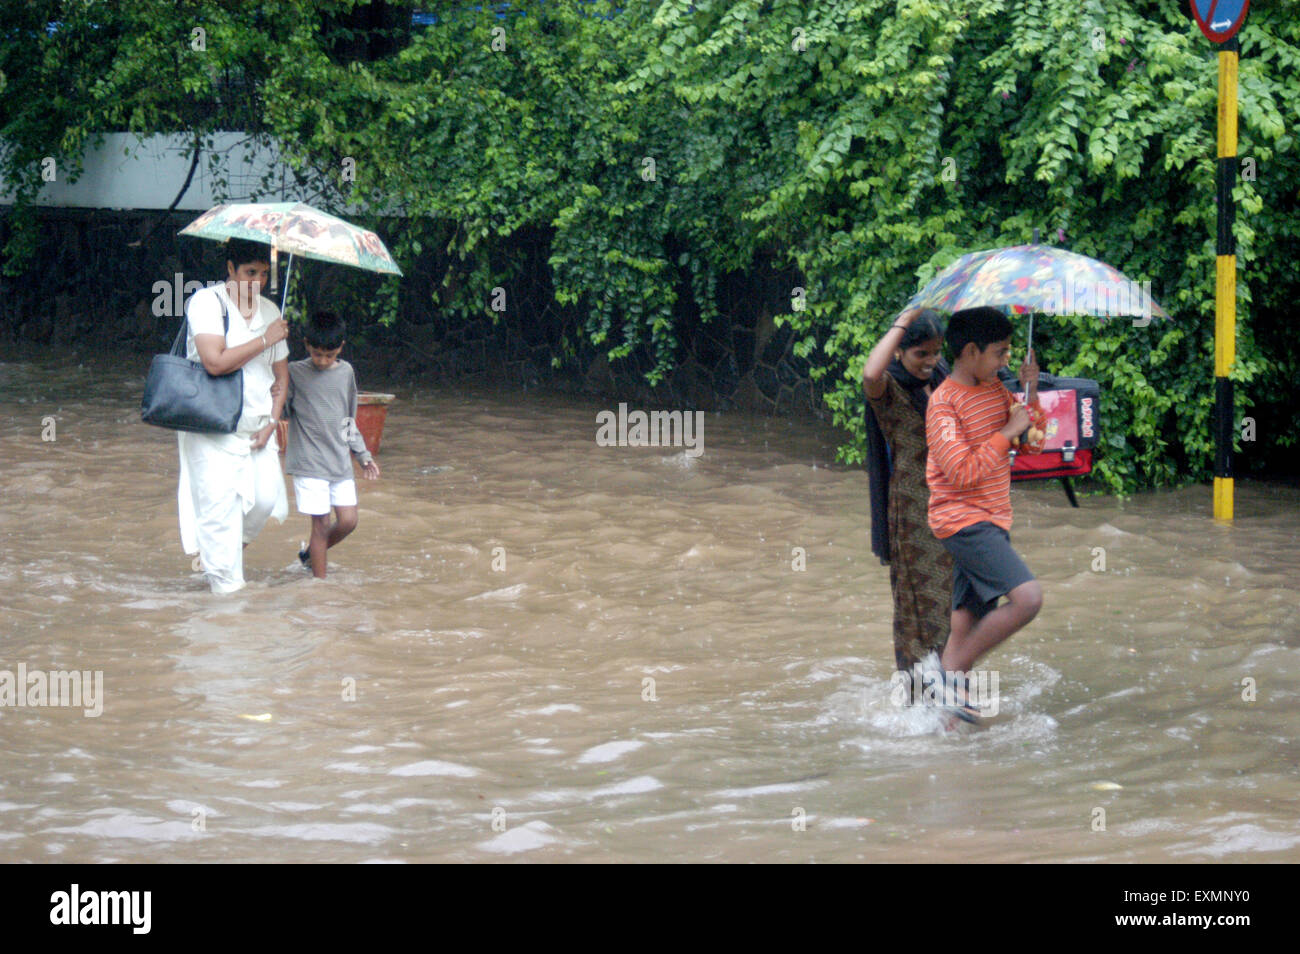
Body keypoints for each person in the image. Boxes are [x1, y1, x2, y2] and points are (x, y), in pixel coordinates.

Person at [924, 307, 1045, 714]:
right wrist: (1006, 432)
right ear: (970, 351)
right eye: (1001, 352)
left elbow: (1031, 443)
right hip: (962, 520)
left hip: (992, 516)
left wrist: (1028, 394)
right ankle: (951, 670)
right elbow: (961, 473)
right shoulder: (943, 406)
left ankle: (945, 726)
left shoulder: (995, 390)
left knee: (967, 620)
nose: (1006, 361)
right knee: (1028, 598)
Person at [177, 239, 290, 594]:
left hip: (258, 426)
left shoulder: (271, 310)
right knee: (219, 511)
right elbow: (214, 362)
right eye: (249, 272)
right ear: (230, 269)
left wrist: (272, 421)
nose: (257, 281)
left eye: (264, 274)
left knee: (265, 500)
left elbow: (281, 378)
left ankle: (218, 561)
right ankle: (227, 599)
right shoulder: (206, 303)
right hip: (213, 425)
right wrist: (263, 339)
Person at [861, 307, 953, 680]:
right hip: (915, 516)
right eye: (921, 354)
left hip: (955, 507)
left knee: (958, 604)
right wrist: (900, 322)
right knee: (920, 607)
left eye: (936, 352)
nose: (931, 362)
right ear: (899, 350)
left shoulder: (947, 381)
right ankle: (920, 691)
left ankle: (951, 683)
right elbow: (870, 372)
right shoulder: (891, 389)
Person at [283, 311, 381, 579]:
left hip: (338, 460)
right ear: (306, 345)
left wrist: (363, 455)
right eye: (316, 354)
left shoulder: (346, 372)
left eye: (330, 355)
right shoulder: (293, 372)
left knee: (349, 521)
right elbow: (281, 409)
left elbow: (348, 419)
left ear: (341, 348)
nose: (323, 361)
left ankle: (310, 556)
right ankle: (320, 588)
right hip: (309, 462)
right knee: (321, 523)